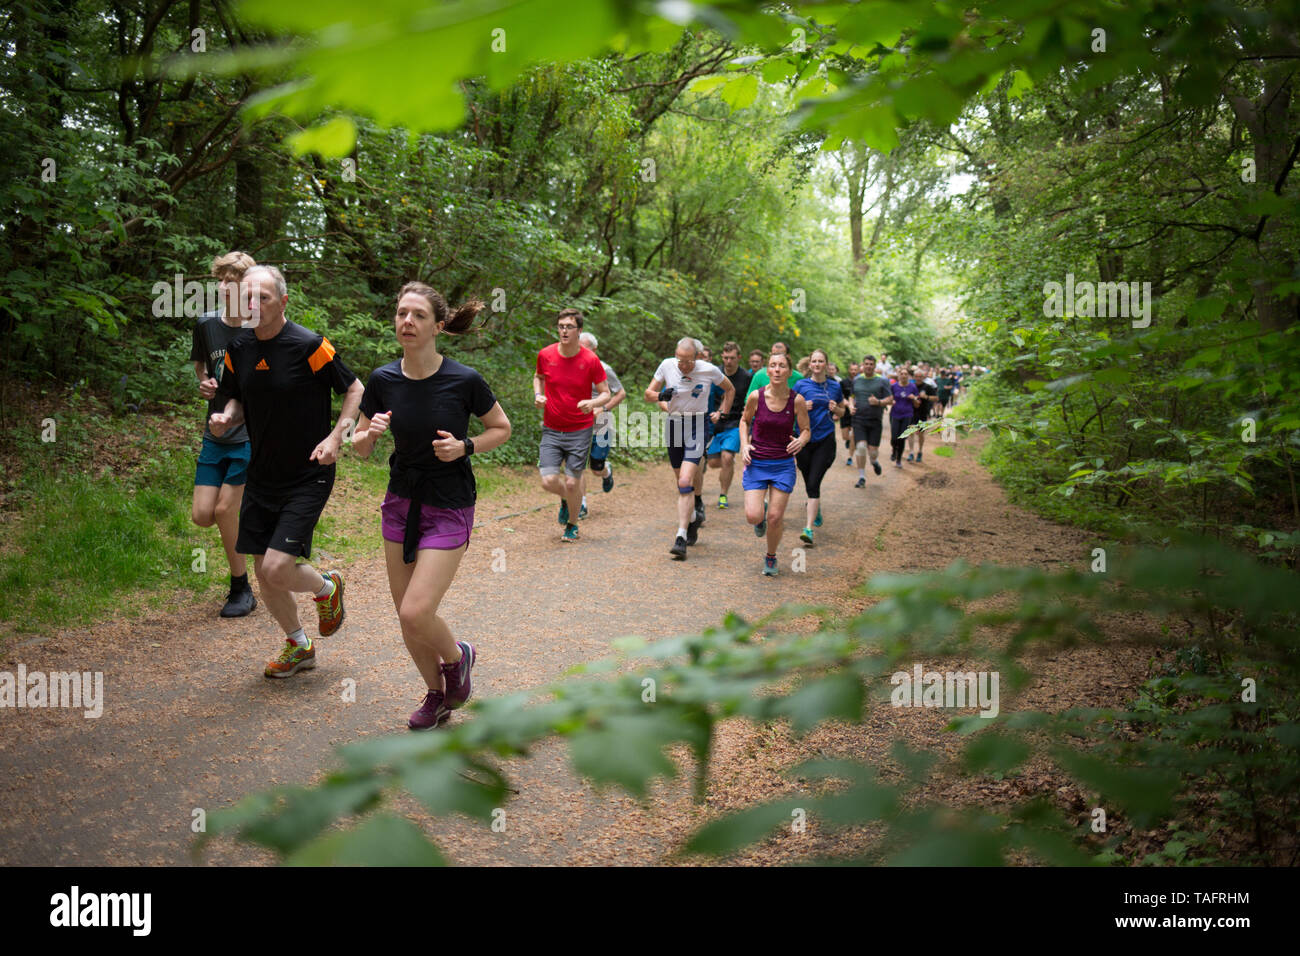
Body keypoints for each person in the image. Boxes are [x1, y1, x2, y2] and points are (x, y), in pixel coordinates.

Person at [351, 282, 511, 730]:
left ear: (438, 326)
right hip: (401, 502)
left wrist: (466, 447)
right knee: (407, 617)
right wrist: (369, 434)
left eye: (418, 315)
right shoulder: (383, 380)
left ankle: (458, 656)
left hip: (449, 503)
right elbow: (359, 447)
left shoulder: (464, 380)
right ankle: (437, 695)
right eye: (402, 313)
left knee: (415, 610)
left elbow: (501, 427)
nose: (407, 321)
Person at [209, 265, 363, 678]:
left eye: (263, 297)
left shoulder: (309, 344)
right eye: (248, 298)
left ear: (283, 302)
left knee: (277, 567)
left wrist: (336, 438)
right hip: (261, 473)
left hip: (308, 472)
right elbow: (236, 399)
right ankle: (299, 645)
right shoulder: (237, 348)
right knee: (263, 572)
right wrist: (226, 417)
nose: (254, 304)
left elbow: (354, 388)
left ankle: (327, 587)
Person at [190, 251, 257, 618]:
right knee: (203, 515)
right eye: (220, 281)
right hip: (214, 433)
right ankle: (252, 513)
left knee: (224, 510)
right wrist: (203, 382)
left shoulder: (260, 328)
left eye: (230, 282)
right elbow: (201, 364)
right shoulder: (206, 324)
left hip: (249, 434)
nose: (222, 287)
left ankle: (241, 587)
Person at [645, 338, 734, 558]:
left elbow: (729, 390)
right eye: (679, 360)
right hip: (674, 424)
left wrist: (722, 412)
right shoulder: (667, 365)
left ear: (697, 357)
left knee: (686, 480)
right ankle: (693, 516)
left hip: (698, 424)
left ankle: (681, 536)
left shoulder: (709, 370)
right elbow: (648, 394)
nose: (682, 365)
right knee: (681, 482)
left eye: (687, 361)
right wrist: (661, 397)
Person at [534, 308, 611, 543]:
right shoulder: (545, 355)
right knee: (548, 480)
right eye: (561, 326)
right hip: (552, 428)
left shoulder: (590, 360)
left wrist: (593, 401)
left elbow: (606, 393)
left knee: (571, 481)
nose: (564, 330)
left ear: (579, 331)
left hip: (579, 429)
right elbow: (539, 376)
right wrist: (538, 394)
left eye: (569, 327)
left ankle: (572, 524)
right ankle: (569, 500)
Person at [740, 352, 810, 576]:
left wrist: (801, 440)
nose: (777, 370)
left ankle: (771, 556)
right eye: (773, 366)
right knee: (754, 516)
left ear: (790, 372)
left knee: (775, 518)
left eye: (782, 366)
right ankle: (761, 513)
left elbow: (806, 430)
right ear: (767, 371)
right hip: (757, 461)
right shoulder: (756, 397)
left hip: (782, 464)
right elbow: (744, 421)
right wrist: (744, 445)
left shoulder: (796, 400)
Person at [791, 349, 844, 546]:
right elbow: (790, 410)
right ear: (810, 364)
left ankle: (808, 529)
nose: (817, 364)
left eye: (821, 361)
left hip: (825, 440)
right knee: (808, 476)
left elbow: (843, 411)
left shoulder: (835, 386)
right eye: (814, 361)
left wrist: (836, 409)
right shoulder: (800, 385)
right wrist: (802, 406)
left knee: (813, 481)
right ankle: (816, 503)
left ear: (826, 364)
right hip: (804, 439)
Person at [578, 331, 626, 514]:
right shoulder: (574, 367)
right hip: (579, 422)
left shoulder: (604, 369)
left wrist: (603, 409)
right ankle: (581, 504)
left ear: (595, 349)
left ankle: (606, 471)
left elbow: (621, 393)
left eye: (585, 348)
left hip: (602, 422)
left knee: (596, 467)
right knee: (577, 464)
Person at [704, 341, 752, 509]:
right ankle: (728, 465)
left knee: (727, 457)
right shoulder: (714, 373)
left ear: (738, 358)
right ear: (722, 357)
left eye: (732, 358)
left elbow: (751, 400)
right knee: (713, 463)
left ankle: (723, 494)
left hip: (735, 422)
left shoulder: (746, 377)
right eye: (725, 358)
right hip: (714, 424)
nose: (728, 361)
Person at [850, 355, 893, 487]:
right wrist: (851, 406)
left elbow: (890, 399)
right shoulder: (857, 379)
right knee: (861, 448)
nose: (868, 366)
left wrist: (878, 402)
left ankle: (874, 461)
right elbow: (852, 396)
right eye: (866, 364)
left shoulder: (882, 381)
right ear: (863, 365)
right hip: (859, 419)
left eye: (871, 364)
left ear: (875, 366)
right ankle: (862, 477)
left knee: (873, 451)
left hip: (875, 420)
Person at [889, 367, 919, 467]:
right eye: (901, 374)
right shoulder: (893, 387)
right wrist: (891, 401)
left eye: (906, 374)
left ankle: (898, 460)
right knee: (894, 437)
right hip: (895, 414)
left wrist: (914, 399)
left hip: (907, 414)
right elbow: (889, 398)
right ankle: (894, 450)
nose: (903, 376)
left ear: (908, 376)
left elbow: (917, 404)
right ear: (898, 375)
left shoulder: (913, 387)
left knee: (902, 438)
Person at [907, 366, 938, 462]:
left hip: (923, 412)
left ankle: (920, 451)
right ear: (914, 377)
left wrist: (926, 397)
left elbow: (936, 398)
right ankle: (911, 452)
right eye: (916, 376)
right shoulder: (911, 386)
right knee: (910, 432)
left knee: (920, 434)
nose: (918, 378)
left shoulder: (927, 387)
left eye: (920, 376)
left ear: (923, 377)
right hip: (911, 412)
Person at [840, 361, 859, 464]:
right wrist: (847, 404)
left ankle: (850, 457)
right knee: (845, 436)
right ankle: (848, 441)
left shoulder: (860, 381)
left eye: (855, 370)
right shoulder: (843, 382)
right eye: (852, 370)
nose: (853, 372)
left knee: (853, 435)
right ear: (849, 370)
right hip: (845, 411)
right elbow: (840, 397)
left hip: (857, 412)